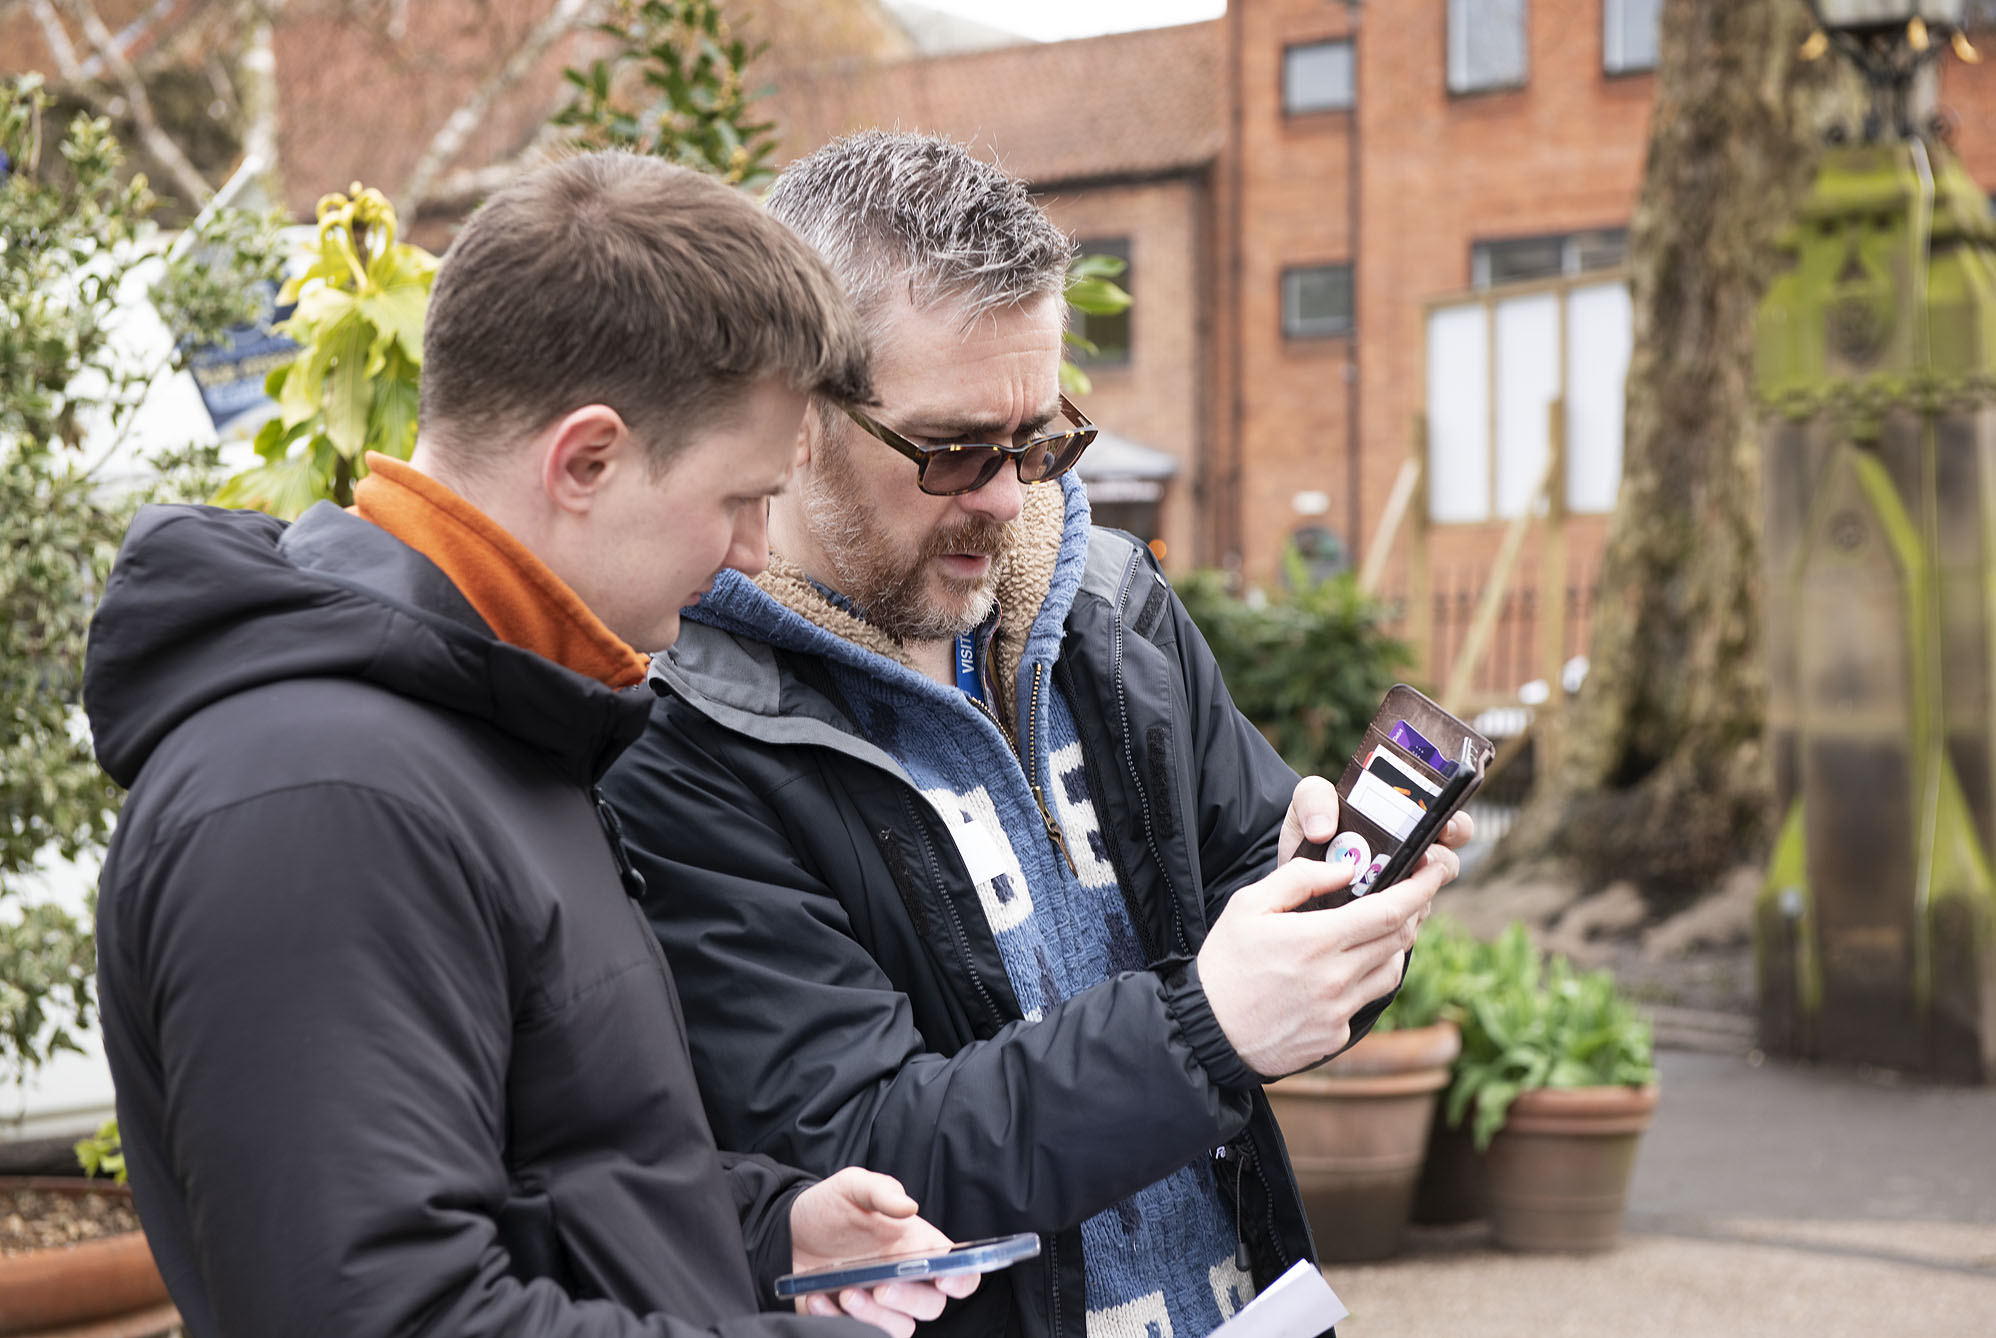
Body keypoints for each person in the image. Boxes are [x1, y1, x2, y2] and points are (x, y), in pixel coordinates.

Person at [83, 151, 978, 1338]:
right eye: (738, 498)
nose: (755, 550)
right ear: (586, 460)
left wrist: (766, 1228)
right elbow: (381, 1312)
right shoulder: (320, 795)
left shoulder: (494, 728)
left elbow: (536, 1167)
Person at [598, 131, 1468, 1338]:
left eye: (1041, 441)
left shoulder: (1110, 605)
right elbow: (857, 1156)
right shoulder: (680, 728)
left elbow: (1257, 929)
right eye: (954, 450)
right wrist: (1207, 1023)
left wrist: (1335, 915)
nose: (1010, 499)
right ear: (794, 416)